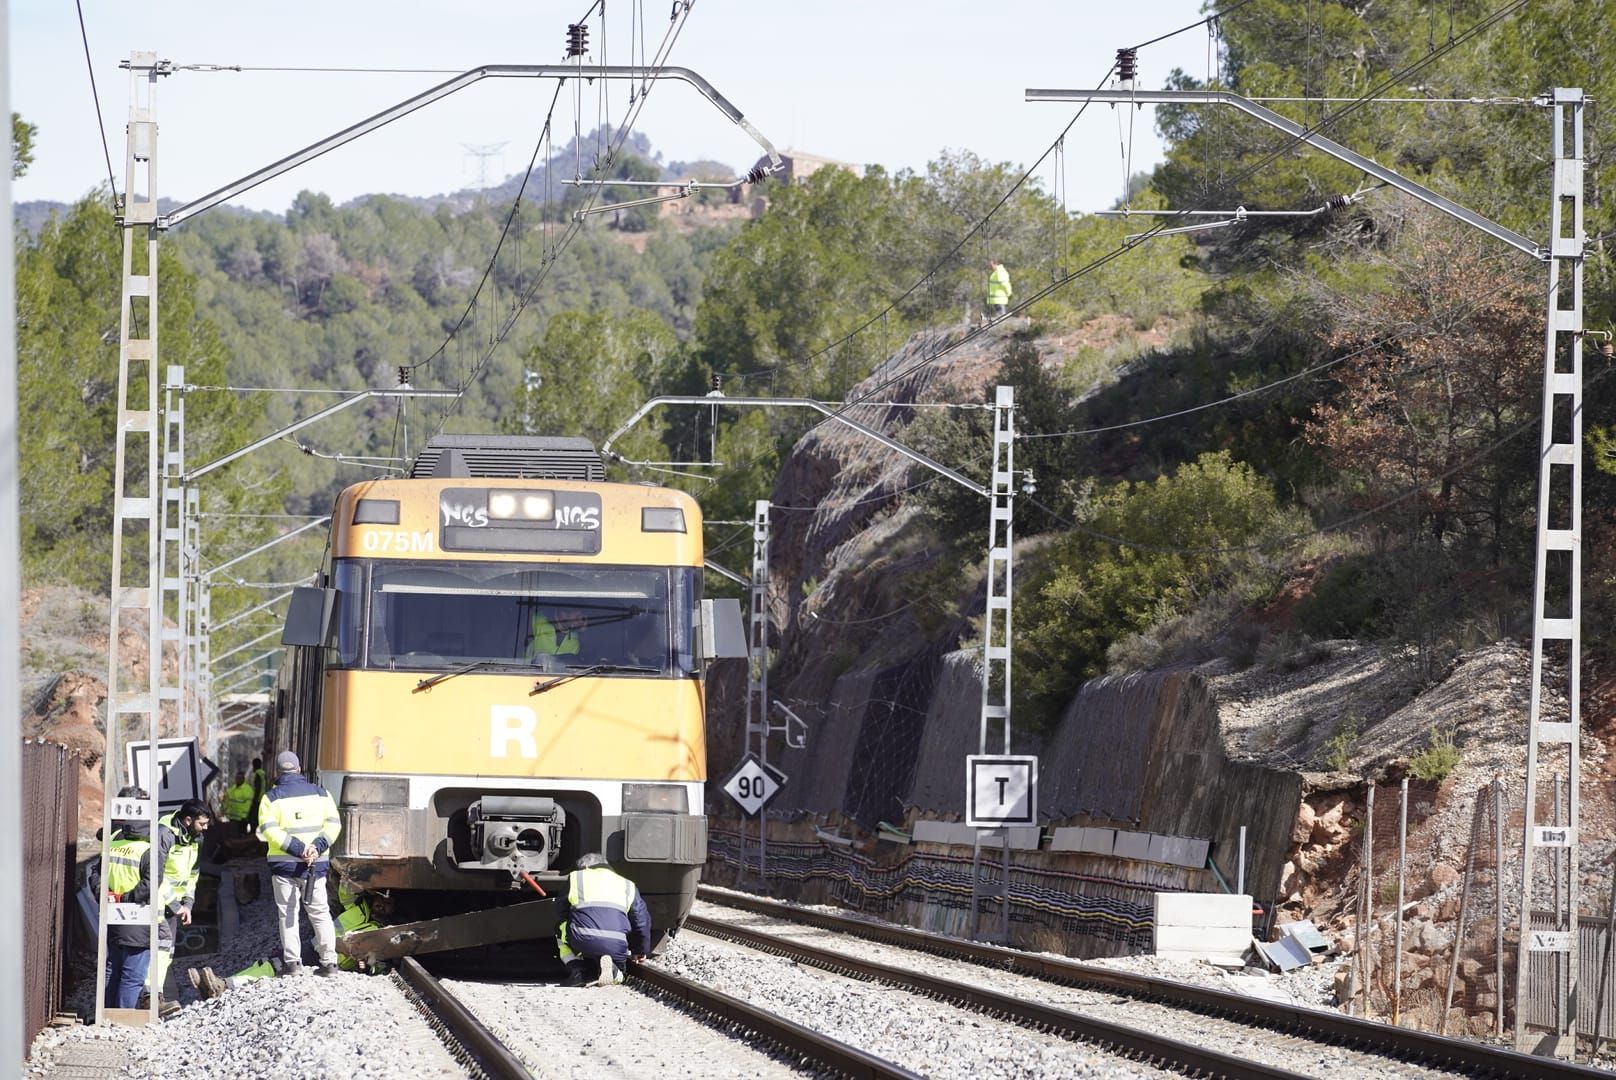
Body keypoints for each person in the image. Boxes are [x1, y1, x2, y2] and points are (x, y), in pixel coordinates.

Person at [257, 750, 342, 976]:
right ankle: (329, 964)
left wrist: (297, 848)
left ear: (278, 772)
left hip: (285, 866)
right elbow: (334, 824)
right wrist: (316, 846)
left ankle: (293, 964)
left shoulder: (270, 798)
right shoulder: (322, 794)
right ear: (299, 769)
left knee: (288, 914)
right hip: (315, 866)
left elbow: (269, 830)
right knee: (320, 913)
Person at [89, 787, 174, 1009]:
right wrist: (127, 897)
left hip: (113, 917)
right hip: (139, 918)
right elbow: (150, 884)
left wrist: (106, 896)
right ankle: (122, 1020)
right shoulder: (149, 849)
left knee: (114, 970)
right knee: (133, 975)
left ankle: (106, 1014)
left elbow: (95, 874)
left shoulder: (115, 842)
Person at [556, 852, 651, 987]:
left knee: (560, 928)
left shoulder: (577, 877)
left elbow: (560, 909)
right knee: (619, 974)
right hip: (617, 944)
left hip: (582, 939)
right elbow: (641, 921)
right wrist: (640, 950)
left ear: (586, 866)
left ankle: (577, 970)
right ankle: (614, 971)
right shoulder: (628, 884)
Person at [149, 801, 210, 1002]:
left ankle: (155, 994)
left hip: (174, 905)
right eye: (202, 824)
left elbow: (193, 874)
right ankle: (149, 994)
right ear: (188, 820)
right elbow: (157, 874)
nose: (206, 828)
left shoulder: (196, 838)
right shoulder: (164, 834)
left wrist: (188, 904)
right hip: (158, 901)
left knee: (166, 949)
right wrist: (176, 905)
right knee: (157, 947)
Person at [245, 757, 267, 833]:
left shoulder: (257, 774)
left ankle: (252, 834)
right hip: (261, 799)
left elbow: (257, 788)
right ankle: (252, 833)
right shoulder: (263, 773)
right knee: (256, 818)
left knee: (252, 818)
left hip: (257, 800)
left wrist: (254, 799)